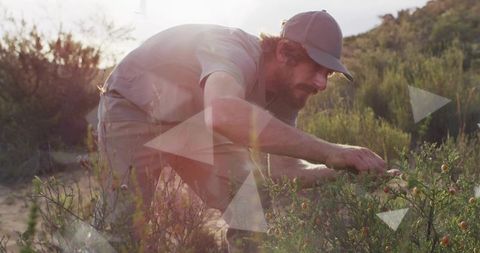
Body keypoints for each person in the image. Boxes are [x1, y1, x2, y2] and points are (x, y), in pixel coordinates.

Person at [96, 10, 391, 252]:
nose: (322, 84)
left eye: (327, 74)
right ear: (285, 53)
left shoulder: (288, 96)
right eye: (317, 68)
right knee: (122, 230)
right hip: (133, 106)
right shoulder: (232, 50)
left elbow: (282, 170)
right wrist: (331, 150)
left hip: (196, 123)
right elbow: (223, 112)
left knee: (252, 205)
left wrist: (345, 169)